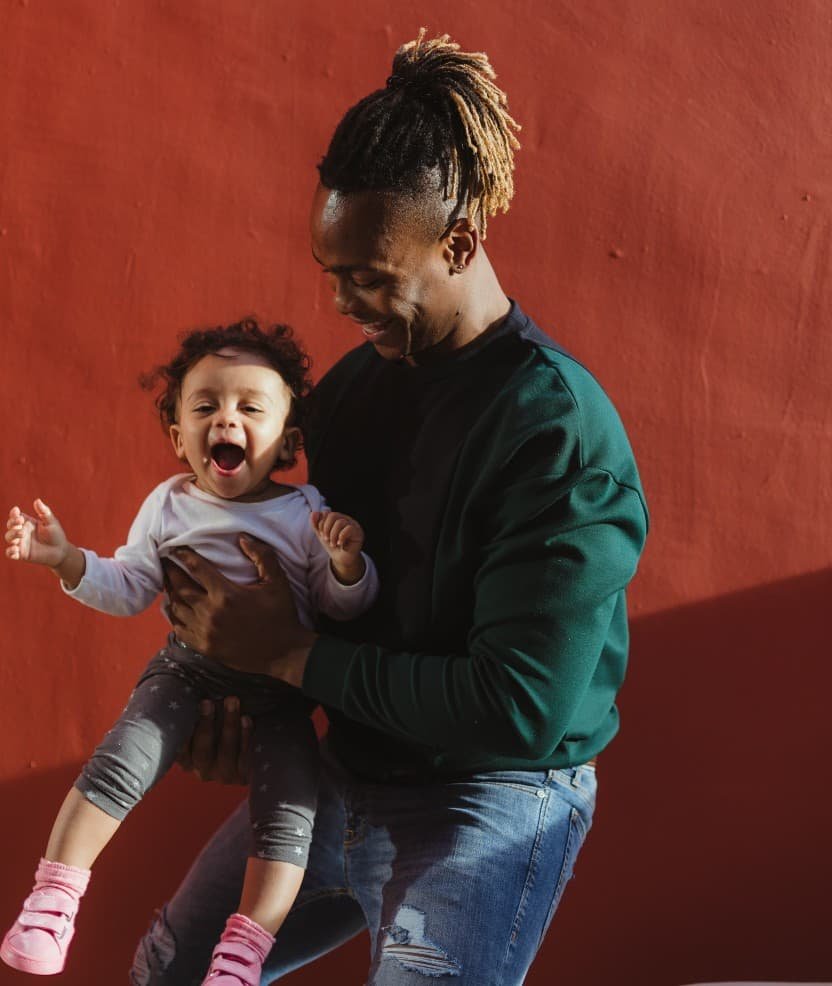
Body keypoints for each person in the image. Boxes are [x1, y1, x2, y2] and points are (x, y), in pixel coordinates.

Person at [130, 30, 649, 986]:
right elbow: (313, 597)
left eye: (368, 275)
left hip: (491, 794)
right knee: (168, 970)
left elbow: (519, 709)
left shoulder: (557, 434)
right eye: (330, 272)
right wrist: (236, 703)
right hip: (348, 769)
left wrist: (286, 657)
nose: (339, 302)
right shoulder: (354, 392)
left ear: (459, 240)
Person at [1, 320, 379, 982]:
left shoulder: (304, 514)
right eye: (204, 407)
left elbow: (339, 607)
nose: (224, 419)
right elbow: (127, 588)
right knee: (123, 759)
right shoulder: (170, 505)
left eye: (248, 408)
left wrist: (347, 565)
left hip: (281, 693)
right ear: (179, 437)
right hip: (184, 671)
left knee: (291, 816)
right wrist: (65, 560)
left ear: (288, 439)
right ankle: (53, 899)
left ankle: (243, 953)